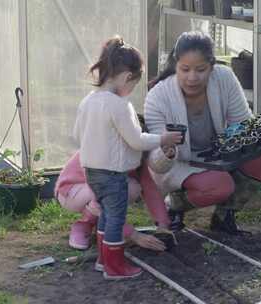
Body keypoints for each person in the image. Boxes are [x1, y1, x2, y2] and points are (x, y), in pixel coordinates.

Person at [144, 31, 261, 235]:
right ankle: (175, 205)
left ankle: (225, 214)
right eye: (185, 69)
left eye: (201, 70)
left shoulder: (224, 78)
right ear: (176, 65)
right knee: (220, 186)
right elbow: (156, 164)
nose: (192, 78)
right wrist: (167, 152)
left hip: (215, 155)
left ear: (212, 66)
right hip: (179, 164)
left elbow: (243, 124)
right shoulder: (158, 96)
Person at [73, 36, 182, 280]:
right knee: (116, 218)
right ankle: (115, 266)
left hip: (92, 172)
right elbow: (136, 141)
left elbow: (76, 134)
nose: (131, 90)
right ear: (125, 77)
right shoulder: (119, 105)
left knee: (107, 216)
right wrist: (162, 139)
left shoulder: (88, 101)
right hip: (113, 174)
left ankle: (103, 261)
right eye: (133, 84)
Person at [55, 151, 171, 252]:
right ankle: (85, 224)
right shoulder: (103, 152)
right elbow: (101, 203)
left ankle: (101, 226)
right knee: (109, 196)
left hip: (98, 191)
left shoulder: (135, 153)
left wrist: (163, 225)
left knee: (131, 187)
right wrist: (133, 235)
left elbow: (149, 188)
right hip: (71, 190)